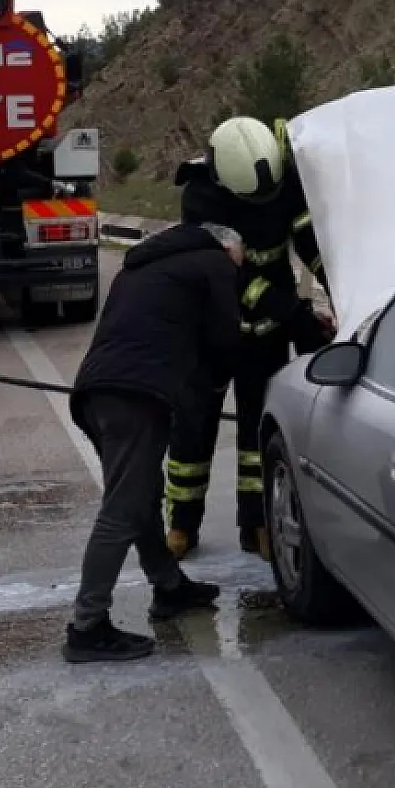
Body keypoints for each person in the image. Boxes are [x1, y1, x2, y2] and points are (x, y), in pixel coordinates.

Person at [63, 220, 245, 664]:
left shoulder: (144, 265)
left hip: (98, 393)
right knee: (123, 510)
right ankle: (87, 626)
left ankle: (169, 586)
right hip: (136, 399)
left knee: (141, 497)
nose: (240, 269)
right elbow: (224, 339)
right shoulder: (213, 264)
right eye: (241, 260)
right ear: (228, 248)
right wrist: (217, 386)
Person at [169, 116, 333, 561]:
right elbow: (232, 276)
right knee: (193, 429)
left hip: (266, 336)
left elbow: (310, 242)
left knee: (258, 433)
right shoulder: (202, 196)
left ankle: (257, 524)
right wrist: (292, 313)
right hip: (212, 328)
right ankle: (182, 524)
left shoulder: (283, 178)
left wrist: (340, 287)